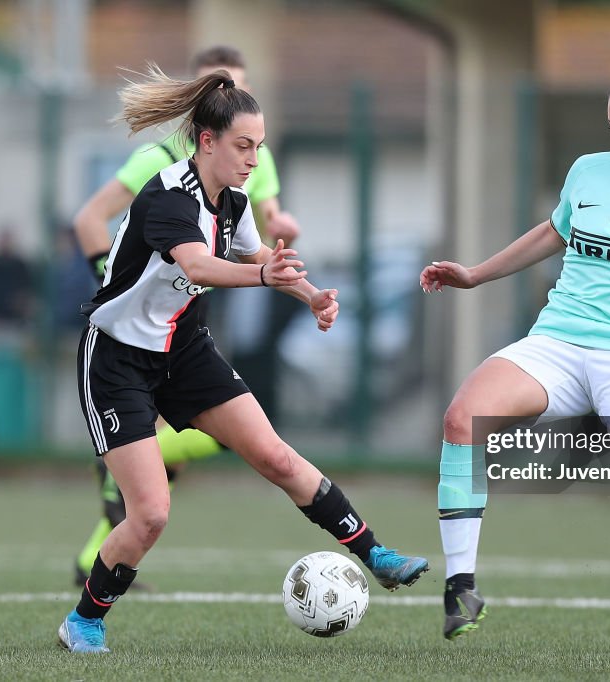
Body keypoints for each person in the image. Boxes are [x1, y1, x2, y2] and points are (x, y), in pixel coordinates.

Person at [57, 66, 429, 654]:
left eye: (259, 146)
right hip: (117, 359)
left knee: (276, 455)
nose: (254, 159)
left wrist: (311, 297)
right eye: (243, 146)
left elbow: (258, 252)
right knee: (150, 513)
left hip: (184, 350)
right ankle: (84, 620)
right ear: (207, 141)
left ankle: (373, 553)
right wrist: (262, 275)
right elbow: (199, 267)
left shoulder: (231, 197)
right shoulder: (168, 196)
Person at [421, 11, 610, 652]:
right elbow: (551, 234)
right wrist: (475, 275)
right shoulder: (587, 171)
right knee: (461, 419)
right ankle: (460, 587)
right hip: (557, 342)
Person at [70, 45, 301, 589]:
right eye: (221, 91)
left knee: (206, 449)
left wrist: (283, 232)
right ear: (204, 122)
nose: (232, 99)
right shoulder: (161, 165)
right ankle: (99, 538)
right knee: (151, 484)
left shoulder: (252, 160)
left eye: (241, 89)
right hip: (131, 336)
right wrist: (121, 281)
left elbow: (262, 228)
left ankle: (100, 534)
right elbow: (89, 220)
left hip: (188, 330)